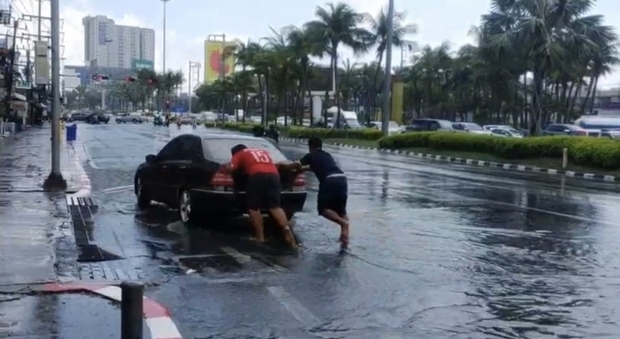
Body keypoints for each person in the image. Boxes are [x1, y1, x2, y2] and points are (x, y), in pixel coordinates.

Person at [221, 144, 297, 248]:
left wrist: (226, 167)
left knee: (254, 207)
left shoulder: (239, 153)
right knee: (275, 206)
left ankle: (260, 237)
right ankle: (287, 231)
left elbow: (232, 169)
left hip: (257, 176)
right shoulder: (261, 152)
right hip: (274, 175)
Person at [280, 137, 349, 247]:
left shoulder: (311, 156)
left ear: (310, 147)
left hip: (329, 180)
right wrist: (303, 169)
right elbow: (313, 167)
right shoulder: (326, 155)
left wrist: (282, 166)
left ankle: (343, 223)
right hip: (342, 179)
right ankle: (345, 237)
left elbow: (295, 165)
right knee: (341, 211)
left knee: (323, 209)